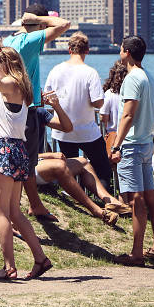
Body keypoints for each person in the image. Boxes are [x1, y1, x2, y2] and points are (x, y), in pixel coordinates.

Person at [0, 6, 70, 222]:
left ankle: (27, 205)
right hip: (28, 108)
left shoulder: (11, 42)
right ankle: (23, 209)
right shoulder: (29, 40)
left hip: (10, 104)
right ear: (40, 26)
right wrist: (40, 19)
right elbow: (65, 25)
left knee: (23, 160)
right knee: (27, 161)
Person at [0, 44, 52, 280]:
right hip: (16, 149)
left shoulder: (9, 84)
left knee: (1, 212)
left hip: (3, 148)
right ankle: (40, 258)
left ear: (6, 65)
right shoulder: (20, 86)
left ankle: (9, 266)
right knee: (15, 213)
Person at [110, 35, 154, 267]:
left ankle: (137, 253)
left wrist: (116, 144)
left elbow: (128, 115)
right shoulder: (149, 77)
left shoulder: (132, 78)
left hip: (132, 144)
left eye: (121, 49)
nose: (119, 53)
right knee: (150, 197)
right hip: (146, 142)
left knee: (136, 200)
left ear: (127, 52)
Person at [44, 33, 111, 192]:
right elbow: (97, 102)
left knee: (70, 170)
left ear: (69, 50)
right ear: (87, 51)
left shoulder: (56, 70)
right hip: (87, 130)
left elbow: (46, 96)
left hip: (62, 131)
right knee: (102, 169)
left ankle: (75, 199)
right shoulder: (90, 72)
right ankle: (103, 200)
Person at [34, 149, 129, 224]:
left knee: (83, 162)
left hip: (39, 161)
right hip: (29, 167)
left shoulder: (36, 123)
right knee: (60, 166)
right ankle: (96, 210)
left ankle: (111, 202)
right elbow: (22, 153)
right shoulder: (24, 125)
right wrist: (48, 155)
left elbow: (67, 128)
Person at [100, 61, 128, 158]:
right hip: (129, 136)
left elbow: (103, 118)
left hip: (113, 136)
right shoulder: (131, 94)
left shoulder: (109, 94)